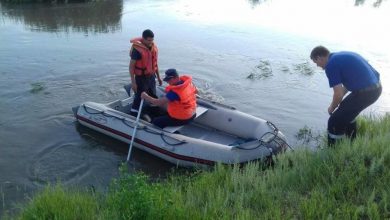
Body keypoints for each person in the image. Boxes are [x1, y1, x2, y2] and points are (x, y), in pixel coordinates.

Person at [310, 46, 382, 146]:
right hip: (375, 89)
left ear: (319, 57)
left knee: (334, 121)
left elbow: (338, 94)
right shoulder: (339, 57)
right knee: (345, 113)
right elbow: (347, 85)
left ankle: (335, 154)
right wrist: (338, 104)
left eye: (316, 62)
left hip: (367, 93)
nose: (317, 66)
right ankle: (351, 145)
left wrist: (332, 107)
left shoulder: (331, 65)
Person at [129, 29, 163, 117]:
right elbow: (131, 67)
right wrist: (133, 82)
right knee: (139, 97)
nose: (151, 42)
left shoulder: (153, 47)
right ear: (143, 39)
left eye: (152, 40)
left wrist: (159, 77)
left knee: (153, 95)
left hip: (151, 77)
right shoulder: (137, 50)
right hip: (141, 78)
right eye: (149, 40)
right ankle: (133, 114)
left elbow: (155, 64)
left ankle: (153, 113)